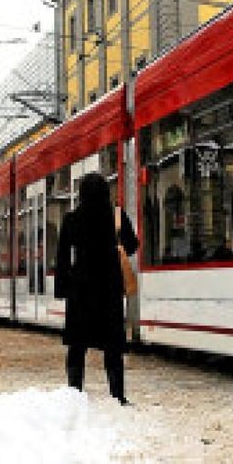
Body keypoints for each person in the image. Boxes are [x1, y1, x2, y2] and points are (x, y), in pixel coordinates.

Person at [55, 172, 140, 406]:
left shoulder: (72, 218)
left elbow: (62, 257)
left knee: (77, 345)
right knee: (112, 345)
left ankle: (74, 393)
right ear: (105, 192)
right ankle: (118, 395)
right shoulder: (116, 216)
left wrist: (62, 289)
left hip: (80, 289)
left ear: (81, 193)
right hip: (109, 287)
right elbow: (132, 246)